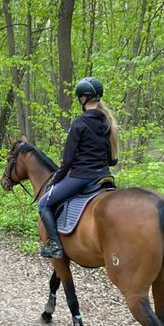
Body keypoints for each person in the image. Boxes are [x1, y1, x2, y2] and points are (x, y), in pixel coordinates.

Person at [38, 77, 119, 258]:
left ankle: (56, 247)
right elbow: (112, 160)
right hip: (105, 177)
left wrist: (54, 180)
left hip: (82, 177)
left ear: (83, 98)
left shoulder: (79, 123)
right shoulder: (107, 122)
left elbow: (67, 162)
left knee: (43, 203)